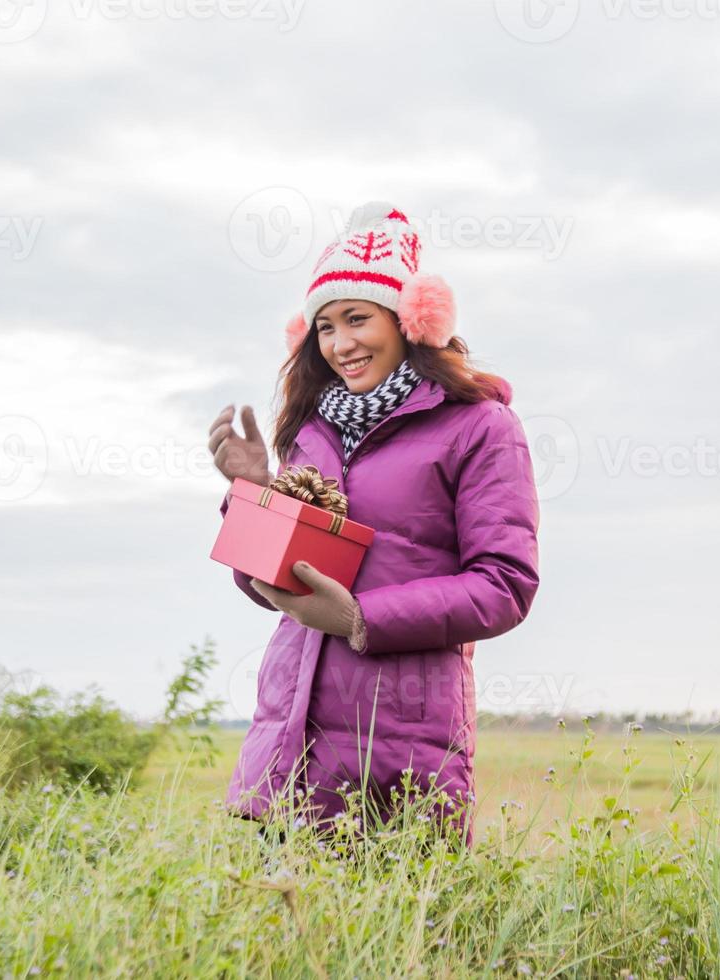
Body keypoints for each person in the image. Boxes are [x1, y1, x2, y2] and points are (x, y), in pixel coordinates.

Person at [206, 201, 541, 848]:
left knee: (396, 947)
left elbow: (505, 586)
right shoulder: (311, 431)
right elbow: (272, 587)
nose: (340, 344)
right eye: (325, 327)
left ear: (412, 321)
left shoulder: (482, 428)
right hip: (285, 747)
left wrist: (361, 618)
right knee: (270, 946)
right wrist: (253, 496)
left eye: (358, 319)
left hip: (398, 754)